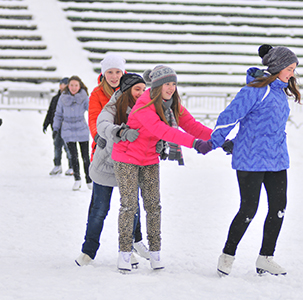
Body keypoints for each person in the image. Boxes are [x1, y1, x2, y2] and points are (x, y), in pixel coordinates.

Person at [111, 65, 213, 272]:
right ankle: (124, 253)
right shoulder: (143, 106)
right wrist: (195, 144)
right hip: (127, 158)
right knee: (129, 206)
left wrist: (219, 139)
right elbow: (162, 130)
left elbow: (193, 126)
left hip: (149, 158)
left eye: (174, 84)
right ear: (157, 85)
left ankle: (155, 253)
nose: (171, 88)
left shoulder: (172, 104)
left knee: (153, 206)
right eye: (167, 84)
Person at [211, 44, 301, 276]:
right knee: (249, 209)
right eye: (289, 68)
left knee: (279, 208)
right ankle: (227, 255)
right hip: (251, 158)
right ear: (278, 67)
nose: (292, 73)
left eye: (293, 69)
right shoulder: (254, 90)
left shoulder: (280, 91)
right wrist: (216, 141)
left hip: (277, 159)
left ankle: (265, 257)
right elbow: (228, 117)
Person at [75, 73, 150, 267]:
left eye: (143, 89)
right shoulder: (112, 107)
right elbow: (102, 124)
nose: (141, 93)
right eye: (137, 89)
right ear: (126, 90)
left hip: (132, 167)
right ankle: (88, 251)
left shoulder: (147, 107)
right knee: (99, 210)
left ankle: (128, 250)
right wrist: (120, 131)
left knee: (131, 209)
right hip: (107, 166)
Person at [53, 76, 92, 191]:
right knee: (73, 156)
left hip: (81, 128)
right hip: (68, 129)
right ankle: (77, 179)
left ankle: (89, 180)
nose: (74, 88)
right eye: (71, 85)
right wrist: (56, 128)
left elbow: (91, 110)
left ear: (80, 86)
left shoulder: (84, 97)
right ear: (67, 86)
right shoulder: (62, 98)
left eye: (76, 85)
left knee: (85, 156)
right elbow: (58, 114)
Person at [89, 53, 125, 161]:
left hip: (125, 144)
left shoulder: (131, 90)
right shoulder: (97, 93)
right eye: (110, 72)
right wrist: (97, 135)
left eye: (118, 72)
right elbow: (93, 117)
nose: (114, 76)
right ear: (104, 74)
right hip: (104, 142)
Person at [43, 77, 74, 176]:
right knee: (57, 147)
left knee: (68, 148)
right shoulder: (55, 98)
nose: (62, 86)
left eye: (64, 84)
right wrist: (46, 123)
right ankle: (57, 166)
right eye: (61, 84)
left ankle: (72, 167)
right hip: (56, 128)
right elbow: (50, 112)